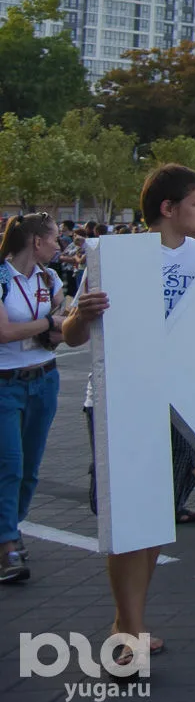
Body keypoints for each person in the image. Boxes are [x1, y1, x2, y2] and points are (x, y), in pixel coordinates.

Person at [66, 165, 195, 653]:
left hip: (179, 400)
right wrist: (82, 315)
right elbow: (71, 333)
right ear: (168, 209)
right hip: (118, 398)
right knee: (129, 515)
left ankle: (130, 621)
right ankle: (125, 628)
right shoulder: (118, 256)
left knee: (157, 517)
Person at [0, 213, 76, 585]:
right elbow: (4, 331)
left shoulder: (49, 277)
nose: (58, 245)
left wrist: (59, 322)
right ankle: (7, 544)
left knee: (29, 467)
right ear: (35, 242)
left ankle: (10, 528)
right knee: (9, 465)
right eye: (54, 239)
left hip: (45, 378)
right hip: (5, 383)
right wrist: (49, 324)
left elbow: (69, 317)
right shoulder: (1, 279)